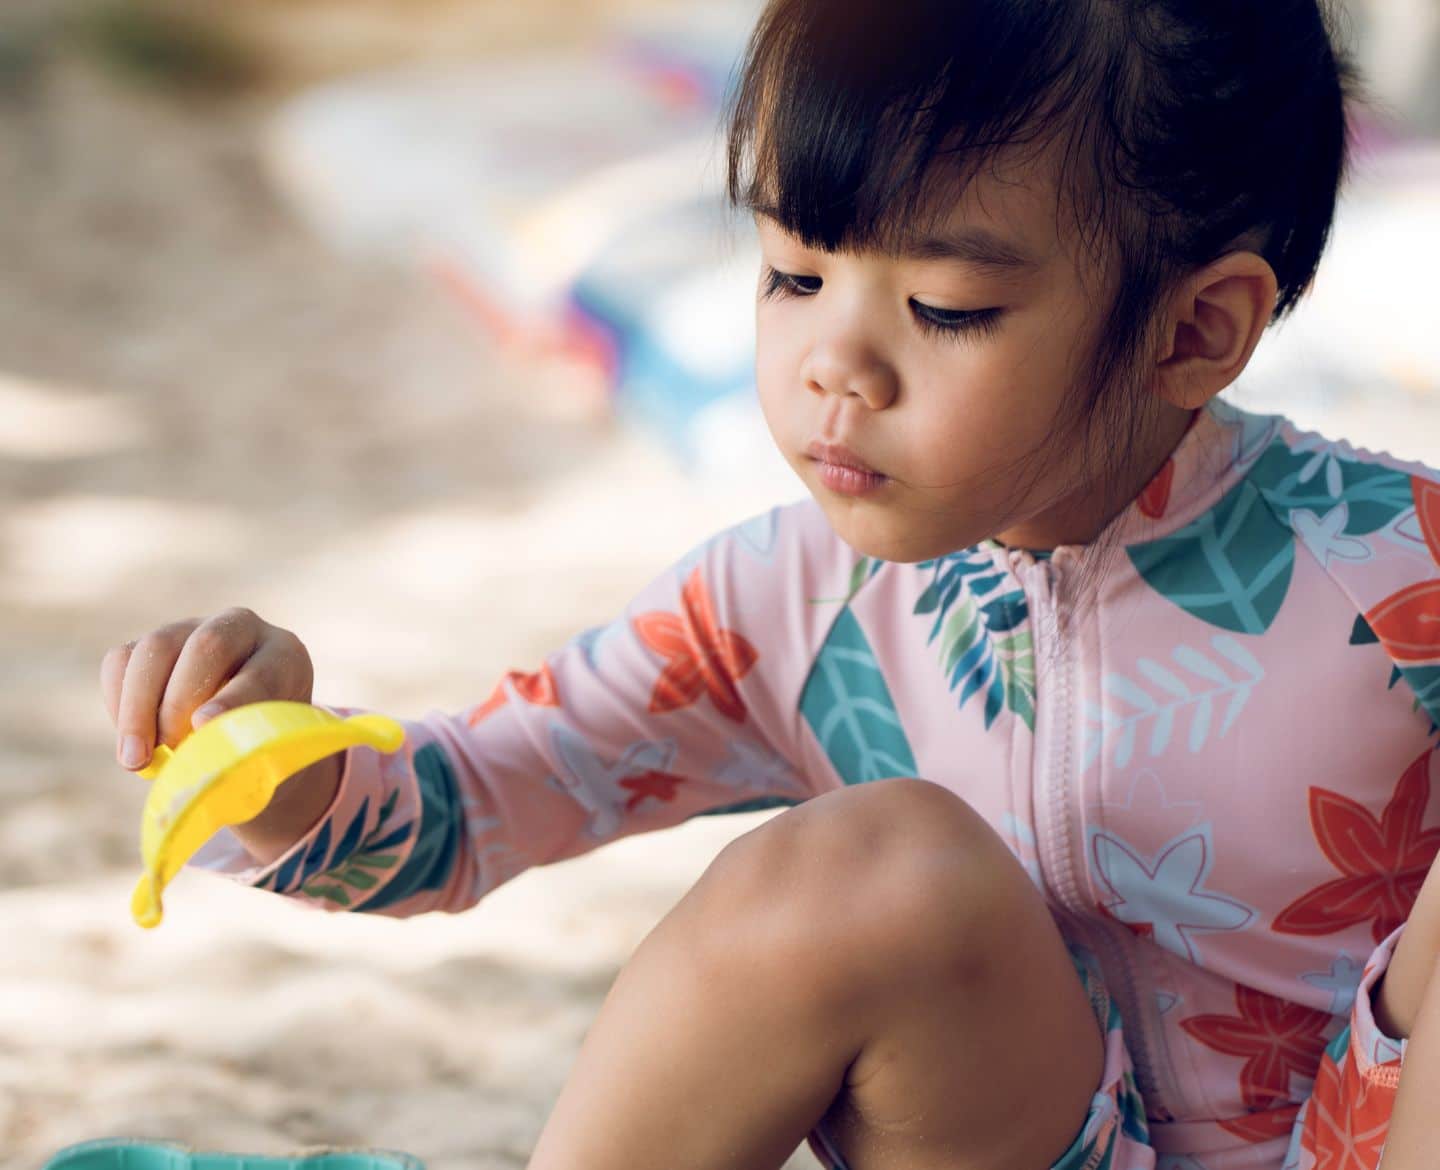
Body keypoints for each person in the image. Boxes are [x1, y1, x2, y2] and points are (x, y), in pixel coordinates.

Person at [98, 1, 1440, 1168]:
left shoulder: (1390, 576)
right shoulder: (791, 603)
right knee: (876, 865)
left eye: (947, 308)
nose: (832, 366)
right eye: (795, 273)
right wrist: (277, 773)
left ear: (1195, 329)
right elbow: (465, 803)